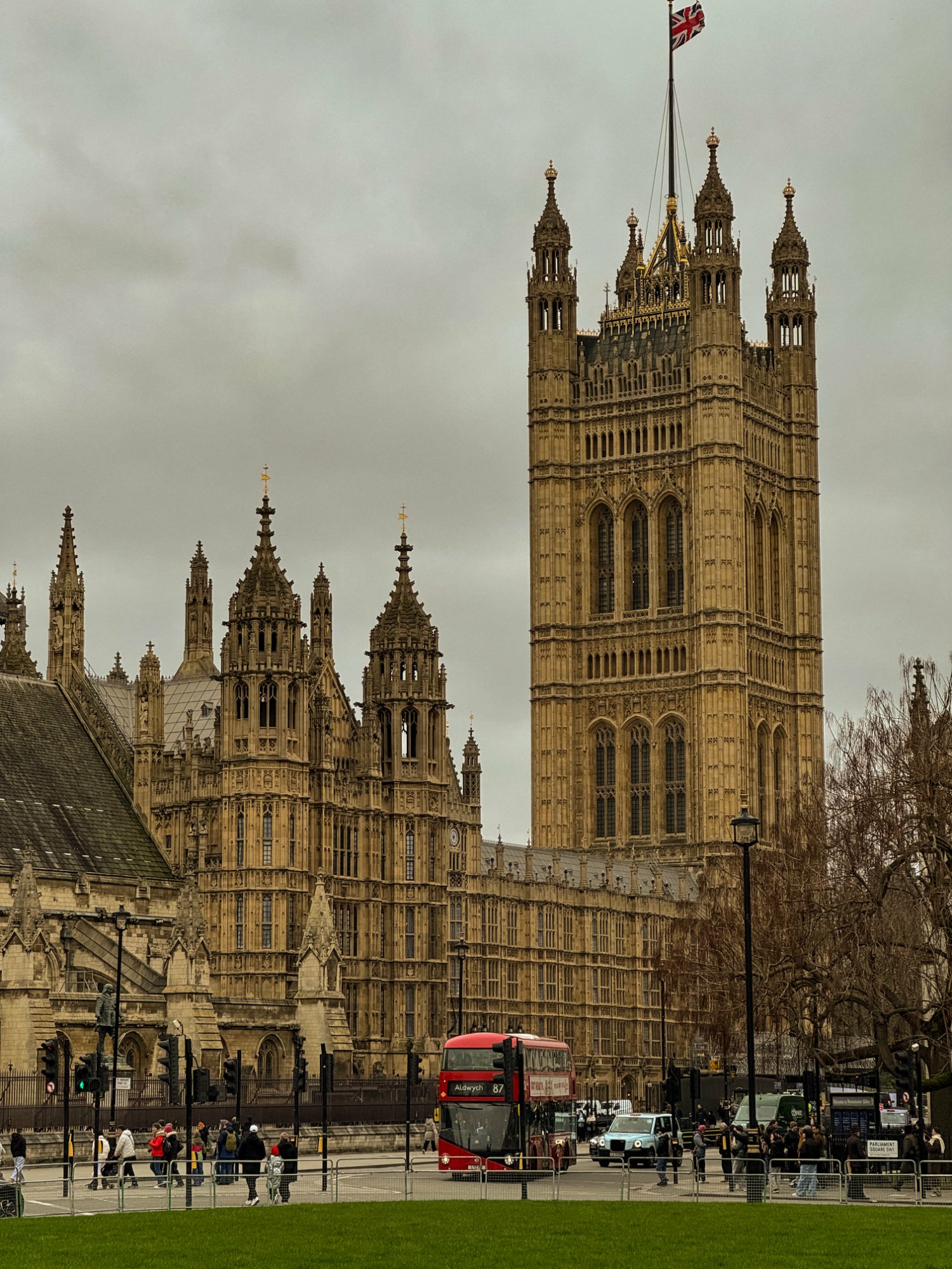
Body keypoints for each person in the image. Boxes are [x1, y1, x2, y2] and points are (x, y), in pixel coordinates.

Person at [237, 1123, 266, 1205]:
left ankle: (255, 1196)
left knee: (249, 1180)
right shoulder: (260, 1142)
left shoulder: (245, 1141)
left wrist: (241, 1160)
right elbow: (263, 1154)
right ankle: (250, 1198)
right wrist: (258, 1159)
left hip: (247, 1163)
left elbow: (240, 1152)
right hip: (256, 1164)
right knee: (253, 1180)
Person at [795, 1125, 822, 1198]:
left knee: (803, 1177)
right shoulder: (815, 1142)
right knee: (812, 1178)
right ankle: (811, 1192)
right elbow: (818, 1153)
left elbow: (802, 1151)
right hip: (813, 1162)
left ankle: (800, 1192)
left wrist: (800, 1159)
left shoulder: (805, 1142)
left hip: (805, 1162)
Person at [845, 1126, 868, 1201]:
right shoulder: (857, 1140)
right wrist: (865, 1157)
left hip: (852, 1161)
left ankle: (851, 1193)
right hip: (858, 1162)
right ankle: (859, 1194)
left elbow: (846, 1151)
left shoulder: (848, 1140)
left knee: (853, 1178)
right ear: (857, 1132)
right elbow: (860, 1153)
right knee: (859, 1179)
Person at [276, 1132, 298, 1204]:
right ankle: (285, 1198)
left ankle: (285, 1198)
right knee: (285, 1184)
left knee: (282, 1184)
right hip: (290, 1168)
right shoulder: (292, 1147)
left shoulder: (278, 1147)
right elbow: (295, 1159)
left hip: (281, 1168)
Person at [717, 1121, 734, 1189]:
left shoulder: (724, 1135)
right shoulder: (727, 1134)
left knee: (726, 1165)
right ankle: (727, 1177)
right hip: (727, 1152)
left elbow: (724, 1145)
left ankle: (728, 1177)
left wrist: (724, 1150)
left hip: (725, 1153)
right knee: (726, 1164)